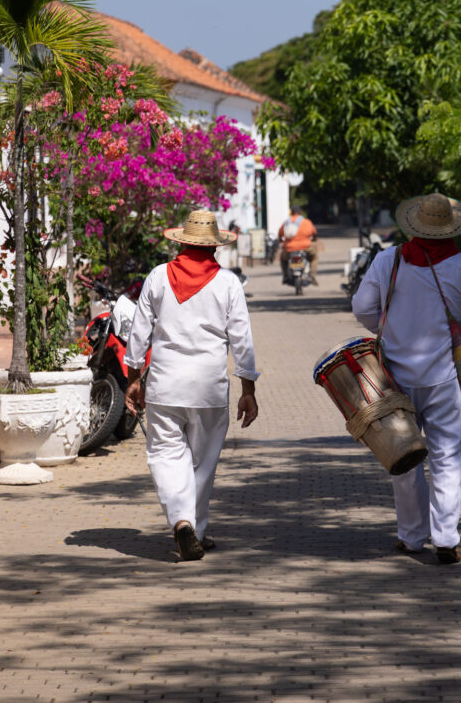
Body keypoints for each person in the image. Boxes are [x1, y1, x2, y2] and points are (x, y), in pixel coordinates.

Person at [352, 192, 461, 565]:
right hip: (446, 379)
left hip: (395, 379)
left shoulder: (389, 260)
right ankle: (446, 539)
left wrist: (388, 328)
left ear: (415, 225)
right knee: (448, 458)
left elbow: (362, 307)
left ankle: (412, 538)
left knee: (406, 456)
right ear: (451, 227)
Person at [124, 209, 259, 561]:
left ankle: (183, 522)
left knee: (167, 456)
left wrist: (134, 380)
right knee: (202, 462)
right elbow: (241, 340)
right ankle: (195, 530)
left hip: (166, 385)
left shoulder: (157, 276)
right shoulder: (229, 283)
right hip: (210, 387)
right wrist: (248, 390)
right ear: (214, 246)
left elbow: (138, 333)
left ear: (181, 242)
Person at [278, 204, 319, 285]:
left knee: (283, 259)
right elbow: (314, 232)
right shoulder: (306, 222)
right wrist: (314, 239)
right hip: (305, 247)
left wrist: (281, 241)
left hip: (289, 249)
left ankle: (285, 276)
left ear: (291, 213)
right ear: (300, 212)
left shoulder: (287, 222)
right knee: (314, 257)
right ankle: (312, 276)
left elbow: (280, 234)